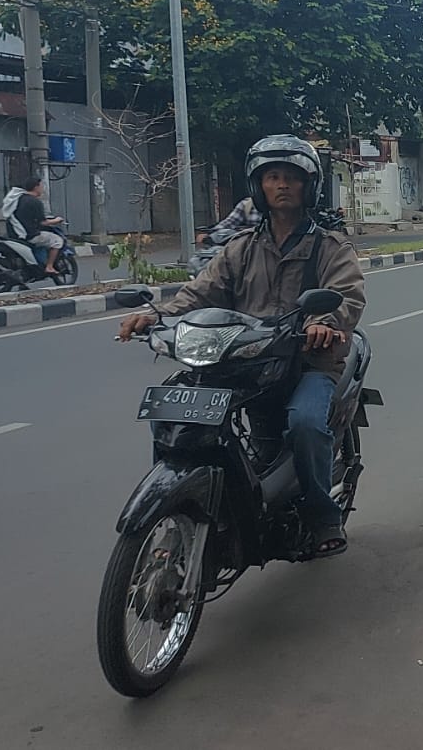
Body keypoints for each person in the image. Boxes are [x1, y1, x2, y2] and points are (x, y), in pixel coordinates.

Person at [118, 135, 366, 558]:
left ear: (310, 186)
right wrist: (159, 317)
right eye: (272, 177)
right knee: (174, 408)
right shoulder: (240, 248)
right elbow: (200, 293)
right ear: (258, 186)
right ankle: (179, 509)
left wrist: (323, 323)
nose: (282, 185)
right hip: (246, 359)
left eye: (291, 177)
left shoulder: (329, 246)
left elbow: (347, 296)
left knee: (305, 422)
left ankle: (322, 513)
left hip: (308, 362)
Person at [1, 176, 65, 276]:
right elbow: (43, 222)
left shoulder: (18, 199)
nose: (43, 188)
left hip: (14, 234)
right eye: (41, 185)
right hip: (30, 235)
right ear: (36, 187)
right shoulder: (35, 202)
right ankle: (49, 266)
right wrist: (56, 220)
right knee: (57, 241)